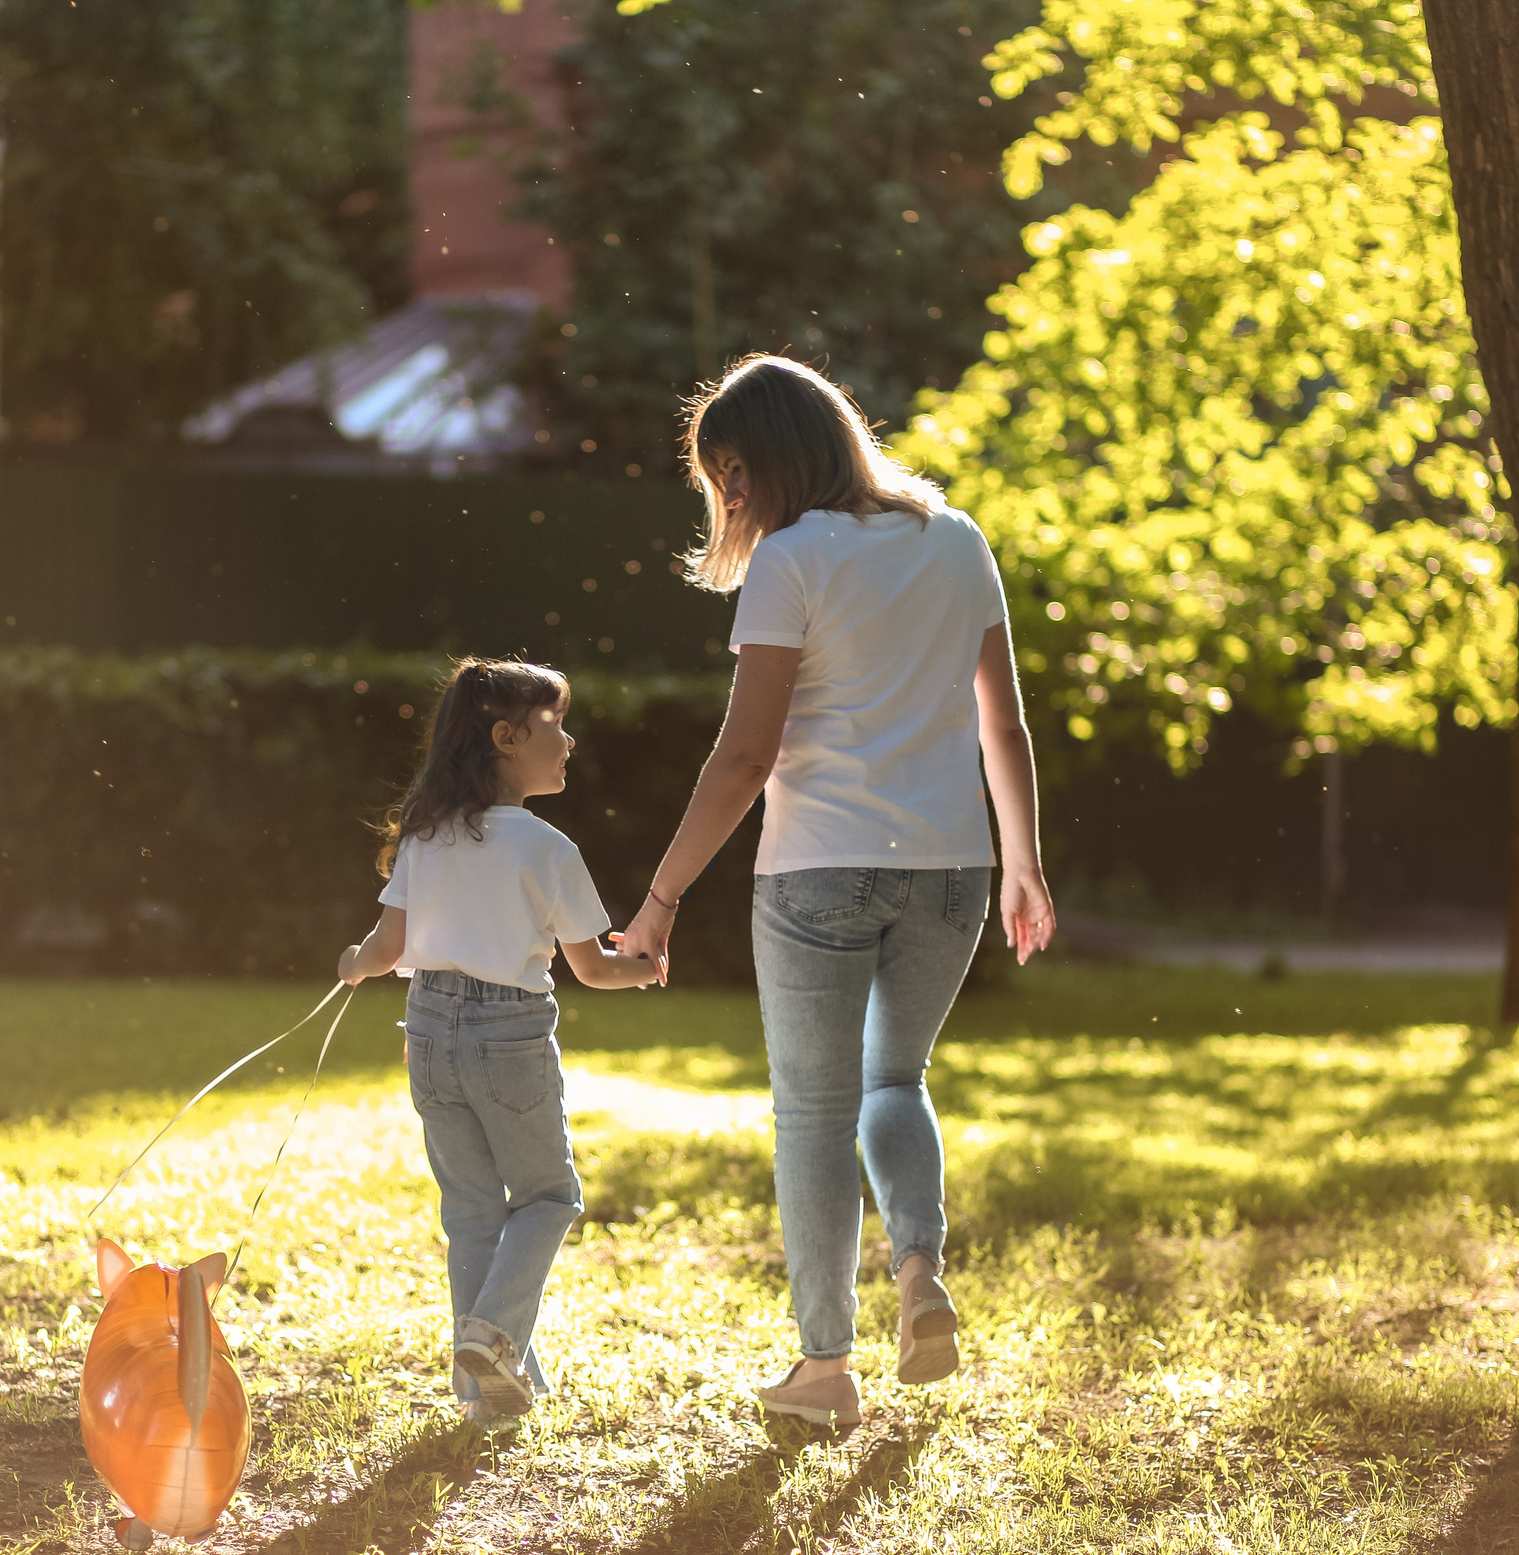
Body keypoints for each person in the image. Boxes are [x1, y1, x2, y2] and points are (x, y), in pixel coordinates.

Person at [618, 355, 1057, 1427]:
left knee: (814, 1114)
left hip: (818, 865)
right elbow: (1001, 721)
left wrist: (663, 895)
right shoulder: (956, 539)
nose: (724, 498)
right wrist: (1022, 861)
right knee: (893, 1080)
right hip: (951, 867)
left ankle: (825, 1369)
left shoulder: (792, 559)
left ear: (757, 461)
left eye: (726, 473)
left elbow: (743, 756)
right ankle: (919, 1273)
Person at [339, 658, 661, 1433]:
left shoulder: (427, 835)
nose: (571, 739)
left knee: (474, 1210)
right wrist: (644, 964)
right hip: (507, 1033)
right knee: (550, 1197)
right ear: (506, 736)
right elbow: (592, 967)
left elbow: (383, 951)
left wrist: (348, 964)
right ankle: (490, 1336)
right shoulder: (547, 847)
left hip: (428, 1027)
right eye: (557, 723)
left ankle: (491, 1393)